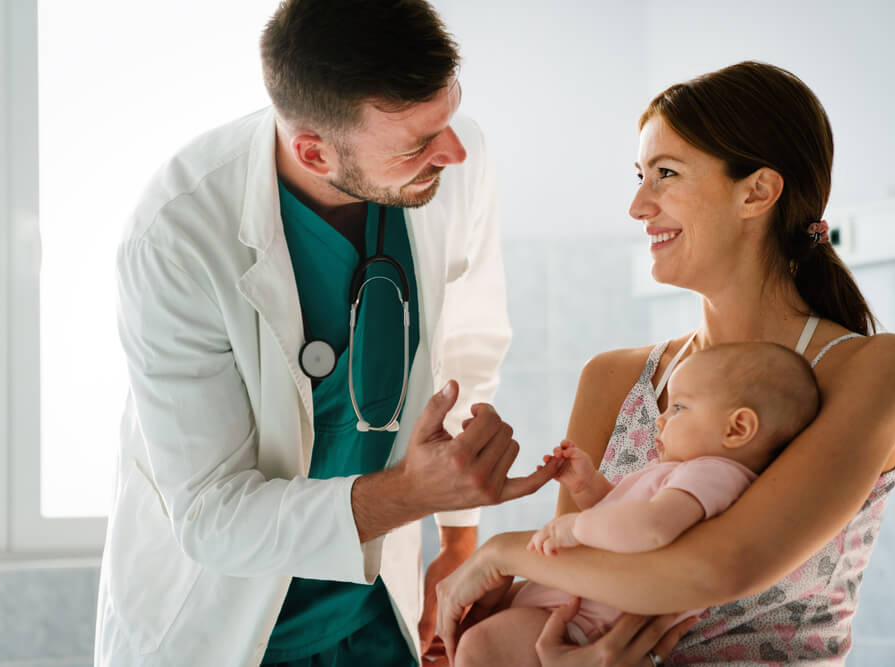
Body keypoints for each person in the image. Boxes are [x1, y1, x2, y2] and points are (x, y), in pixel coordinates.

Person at [93, 2, 559, 666]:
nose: (452, 151)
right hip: (223, 623)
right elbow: (211, 515)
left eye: (449, 115)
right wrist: (414, 494)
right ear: (313, 149)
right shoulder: (178, 234)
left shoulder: (455, 158)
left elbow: (470, 339)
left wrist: (459, 541)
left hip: (370, 614)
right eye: (417, 144)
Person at [436, 61, 895, 666]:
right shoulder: (614, 379)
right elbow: (571, 585)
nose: (639, 205)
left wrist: (498, 554)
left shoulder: (873, 368)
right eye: (640, 176)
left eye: (666, 174)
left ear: (758, 192)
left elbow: (721, 565)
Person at [453, 342, 821, 666]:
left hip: (580, 623)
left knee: (477, 649)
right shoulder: (686, 475)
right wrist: (589, 487)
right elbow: (626, 519)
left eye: (679, 408)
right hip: (566, 616)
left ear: (738, 428)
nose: (661, 418)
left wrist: (574, 527)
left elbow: (651, 528)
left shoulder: (715, 473)